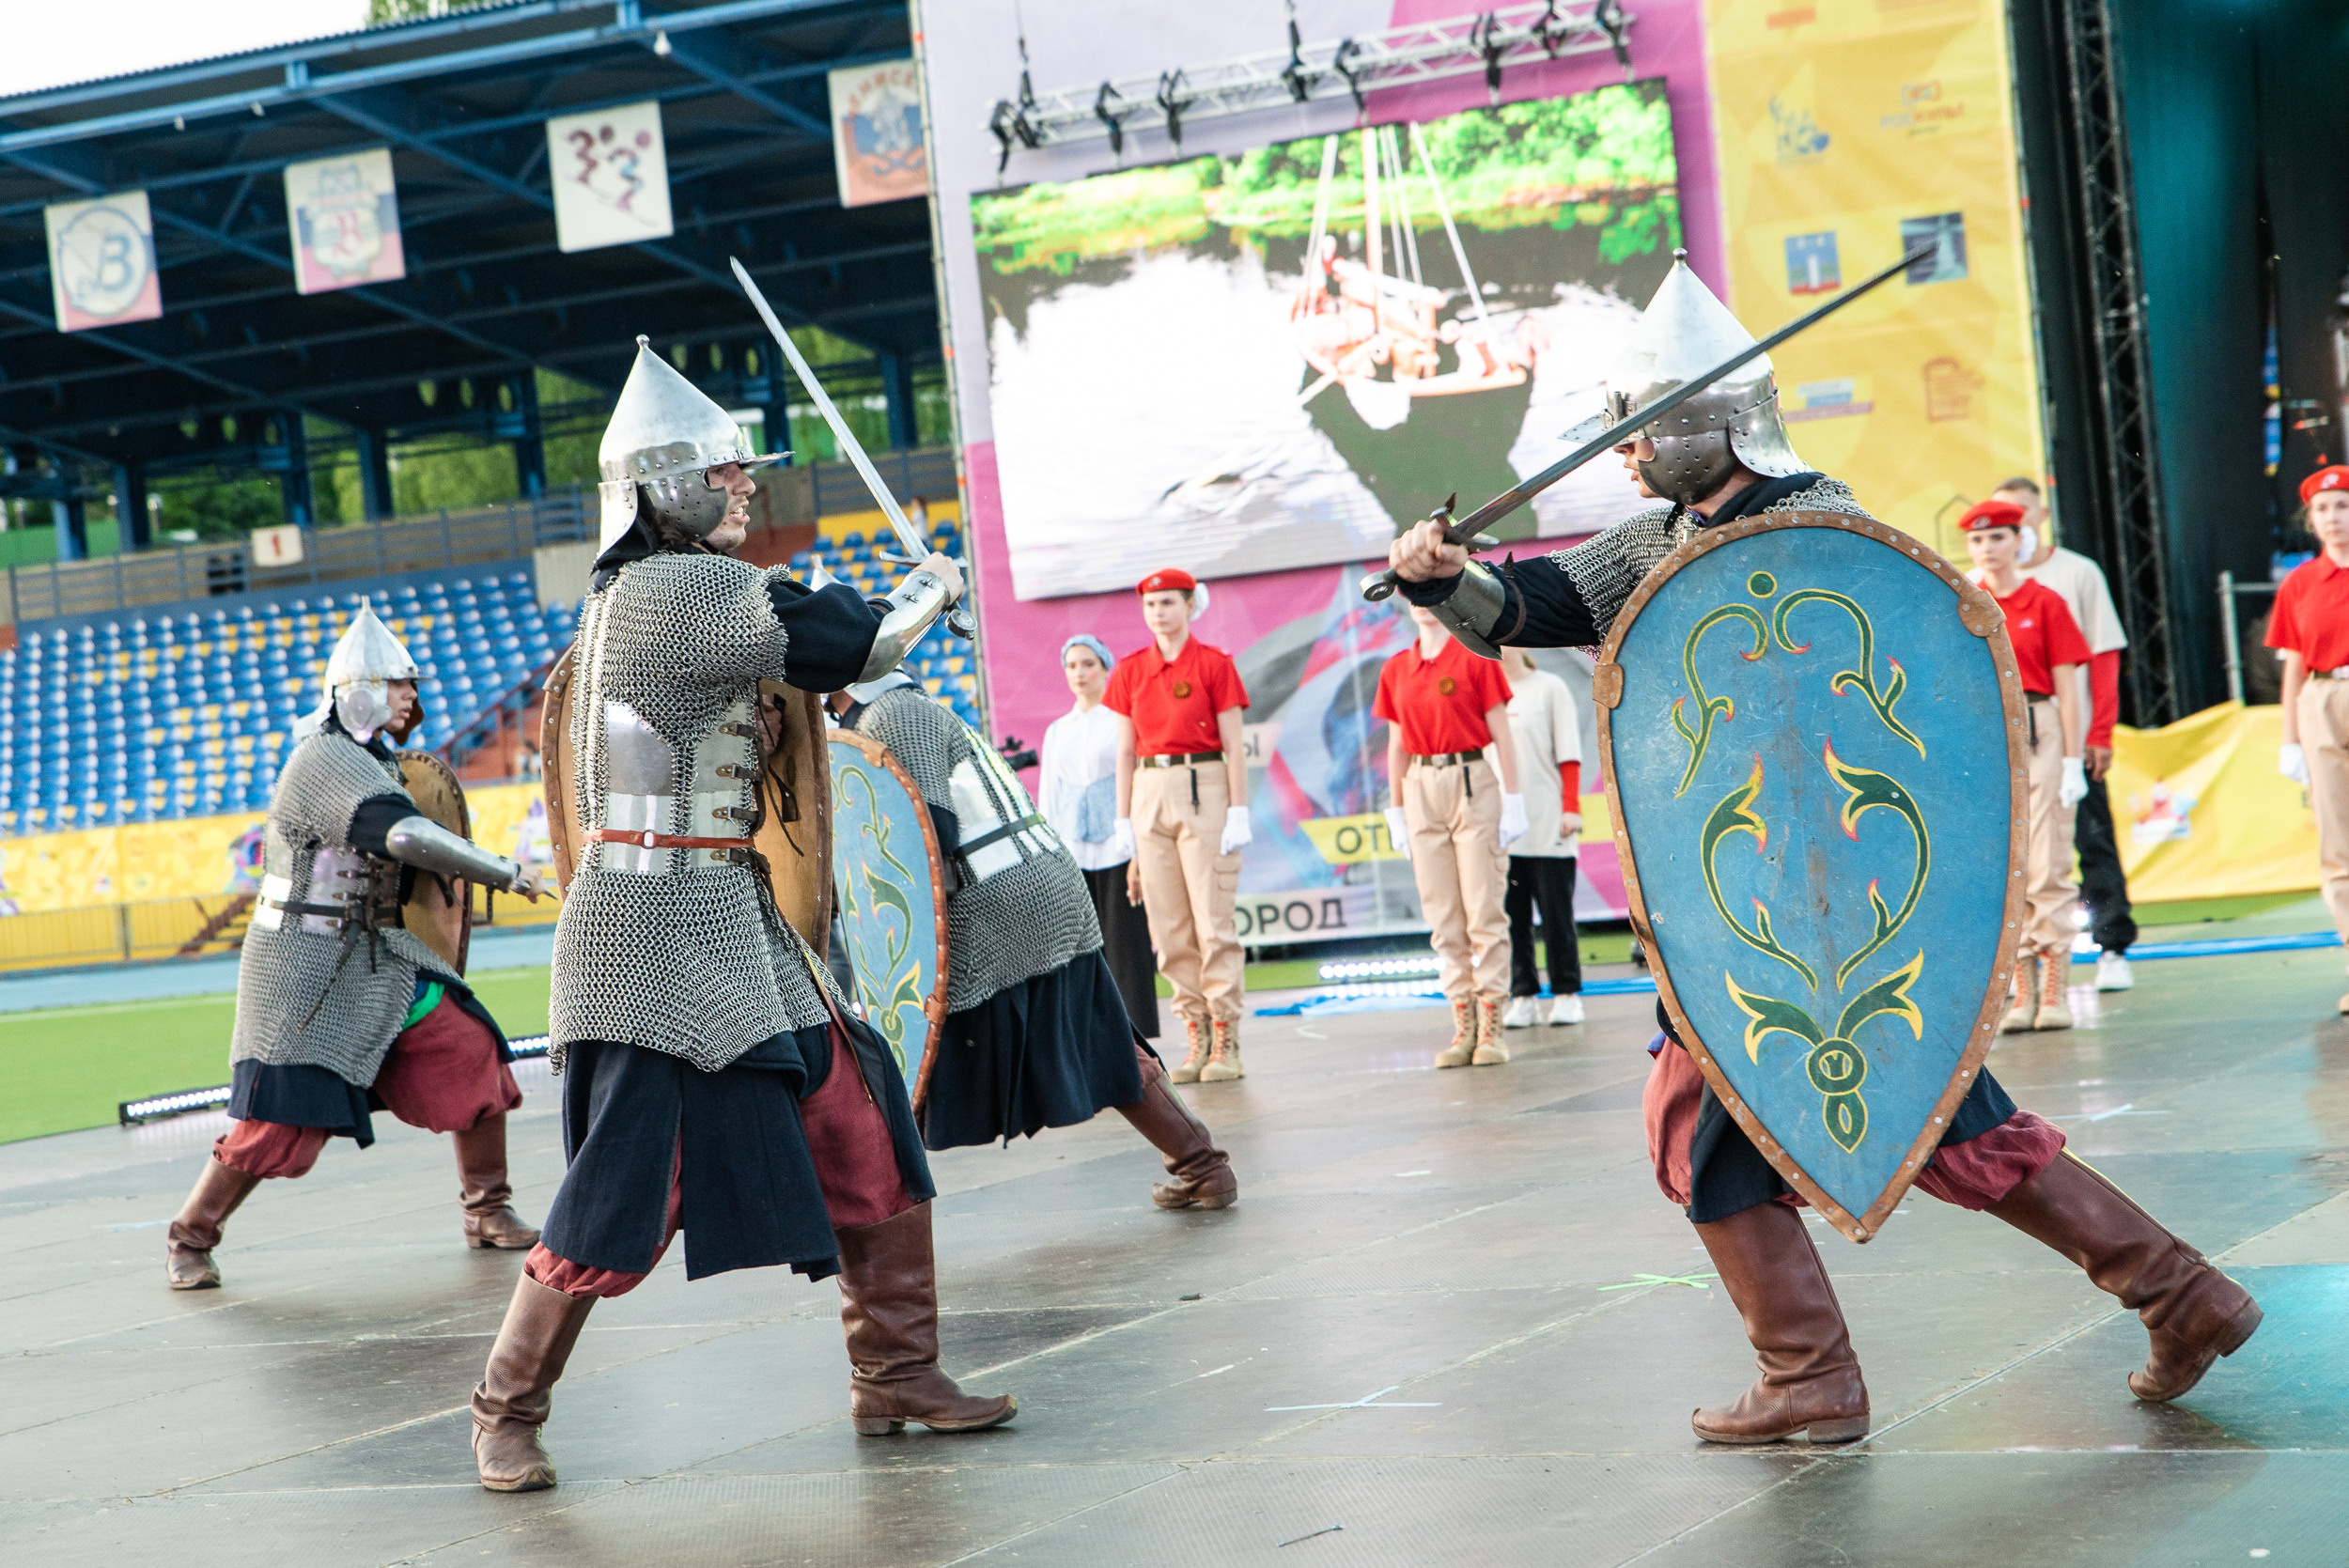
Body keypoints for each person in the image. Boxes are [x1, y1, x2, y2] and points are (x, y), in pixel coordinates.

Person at [1388, 256, 2260, 1443]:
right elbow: (1531, 605)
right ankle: (2164, 1294)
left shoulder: (1823, 532)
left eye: (1642, 433)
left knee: (1733, 1123)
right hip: (1740, 895)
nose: (1626, 455)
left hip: (1839, 894)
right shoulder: (1651, 543)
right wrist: (1443, 581)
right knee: (1939, 1126)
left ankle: (1825, 1369)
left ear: (1718, 422)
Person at [470, 339, 1010, 1496]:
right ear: (664, 491)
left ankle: (896, 1370)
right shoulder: (680, 590)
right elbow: (846, 645)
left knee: (863, 1115)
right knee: (620, 1194)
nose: (742, 487)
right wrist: (932, 592)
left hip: (729, 917)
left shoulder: (638, 596)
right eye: (721, 474)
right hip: (650, 938)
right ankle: (504, 1408)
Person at [164, 606, 545, 1291]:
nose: (412, 699)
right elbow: (397, 835)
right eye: (399, 685)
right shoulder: (323, 758)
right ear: (359, 688)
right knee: (280, 1122)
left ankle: (487, 1209)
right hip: (304, 967)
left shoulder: (376, 758)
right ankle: (190, 1236)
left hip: (378, 956)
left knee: (470, 1048)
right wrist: (501, 870)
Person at [836, 674, 1236, 1209]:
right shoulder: (883, 712)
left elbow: (925, 830)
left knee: (905, 1069)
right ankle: (1203, 1168)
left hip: (999, 901)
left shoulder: (891, 714)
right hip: (1024, 889)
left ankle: (873, 1243)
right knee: (1102, 1038)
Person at [1108, 569, 1252, 1082]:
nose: (1158, 613)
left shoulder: (1215, 665)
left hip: (1204, 783)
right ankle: (1196, 1031)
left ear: (1191, 606)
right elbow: (1124, 750)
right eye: (1150, 604)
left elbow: (1235, 744)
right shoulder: (1129, 671)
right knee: (1168, 927)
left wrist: (1238, 809)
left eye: (1168, 603)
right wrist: (1123, 819)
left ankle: (1226, 1036)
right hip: (1150, 789)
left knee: (1212, 921)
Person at [2001, 476, 2139, 991]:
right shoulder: (1981, 583)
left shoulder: (2076, 574)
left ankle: (2111, 945)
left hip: (2068, 727)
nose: (2006, 525)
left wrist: (2098, 732)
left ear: (2037, 517)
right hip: (2012, 735)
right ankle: (2021, 965)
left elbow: (2102, 656)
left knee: (2090, 838)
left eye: (2018, 513)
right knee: (2020, 848)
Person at [1376, 605, 1526, 1063]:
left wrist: (1514, 798)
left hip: (1471, 779)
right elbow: (1396, 745)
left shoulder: (1476, 657)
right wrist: (1396, 810)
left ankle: (1492, 1025)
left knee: (1483, 908)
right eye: (1412, 593)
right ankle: (1464, 1024)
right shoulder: (1397, 667)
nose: (1421, 603)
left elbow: (1503, 734)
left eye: (1429, 592)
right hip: (1420, 785)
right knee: (1443, 914)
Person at [1964, 499, 2092, 1032]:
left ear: (2020, 540)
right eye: (1977, 540)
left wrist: (2072, 756)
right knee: (2001, 862)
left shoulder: (2046, 601)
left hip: (2039, 725)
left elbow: (2070, 684)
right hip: (1988, 733)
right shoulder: (1966, 603)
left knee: (2047, 858)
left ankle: (2055, 983)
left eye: (1997, 538)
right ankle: (2019, 989)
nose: (1988, 549)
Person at [1039, 634, 1159, 1036]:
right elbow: (1050, 797)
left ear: (1105, 669)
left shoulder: (1122, 721)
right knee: (1085, 949)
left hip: (1119, 844)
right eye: (1072, 666)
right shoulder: (1058, 730)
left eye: (1088, 664)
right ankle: (1094, 1035)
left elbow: (1139, 781)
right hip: (1074, 848)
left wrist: (1139, 846)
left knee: (1126, 945)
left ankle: (1138, 1037)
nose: (1079, 673)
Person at [2271, 464, 2349, 1013]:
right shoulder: (2300, 583)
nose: (2334, 518)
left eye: (2342, 505)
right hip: (2322, 700)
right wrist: (2290, 738)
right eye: (2323, 509)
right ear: (2311, 520)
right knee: (2338, 843)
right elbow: (2293, 666)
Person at [1501, 646, 1586, 1029]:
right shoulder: (1483, 693)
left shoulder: (1549, 688)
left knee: (1556, 915)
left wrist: (1570, 806)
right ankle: (1523, 996)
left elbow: (1568, 751)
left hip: (1548, 819)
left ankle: (1567, 994)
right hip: (1500, 827)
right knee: (1510, 918)